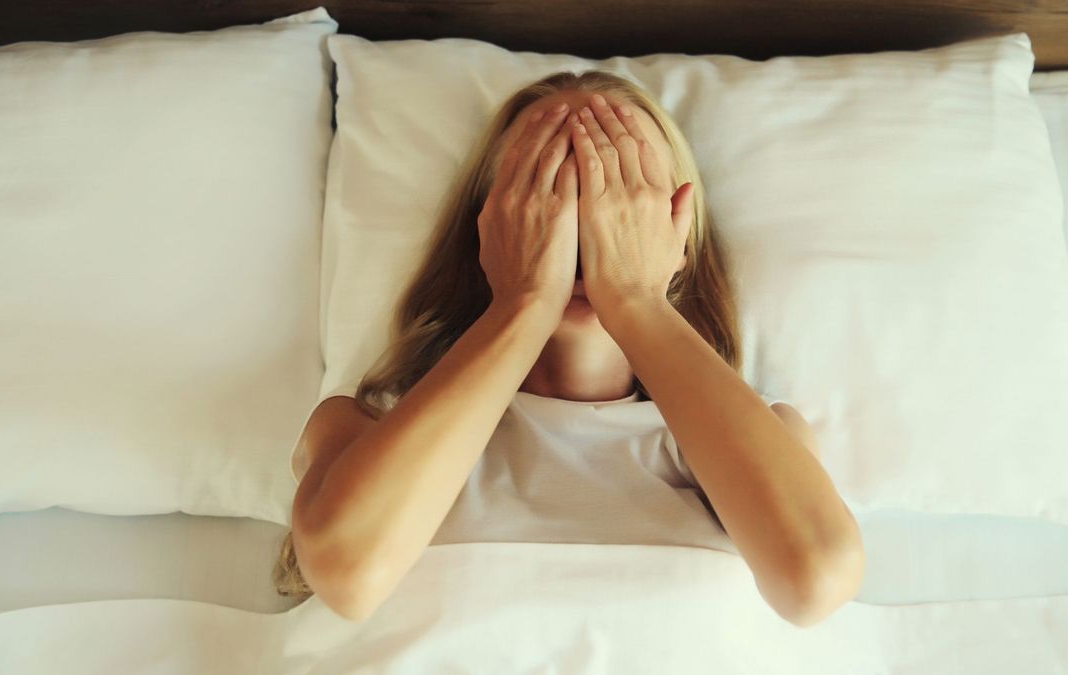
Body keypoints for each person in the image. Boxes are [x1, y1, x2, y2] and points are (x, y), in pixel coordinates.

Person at [274, 70, 864, 627]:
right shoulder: (365, 425)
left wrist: (635, 298)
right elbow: (347, 571)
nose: (585, 224)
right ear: (487, 232)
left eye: (622, 194)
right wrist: (525, 299)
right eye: (546, 188)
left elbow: (816, 578)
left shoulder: (757, 437)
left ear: (680, 238)